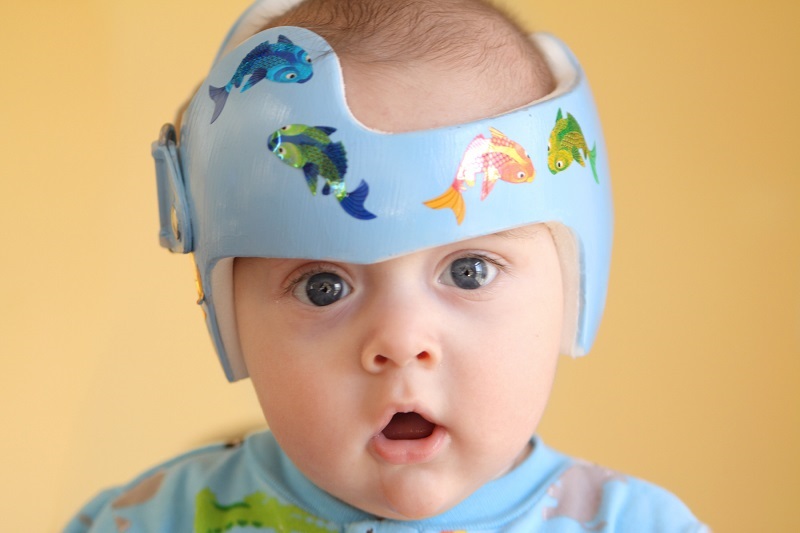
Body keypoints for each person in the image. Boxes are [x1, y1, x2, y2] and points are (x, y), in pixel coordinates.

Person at [66, 0, 708, 531]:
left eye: (469, 271)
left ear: (573, 286)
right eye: (324, 286)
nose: (399, 341)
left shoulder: (637, 524)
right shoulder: (154, 520)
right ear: (227, 317)